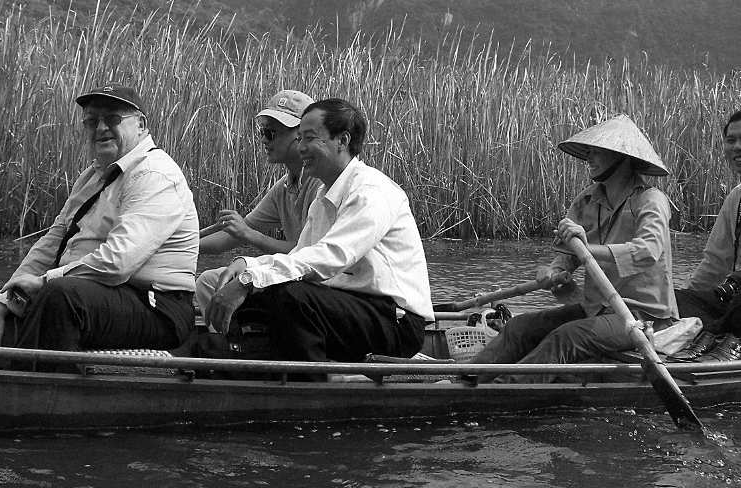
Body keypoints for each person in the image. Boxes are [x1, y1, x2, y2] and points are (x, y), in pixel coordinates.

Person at [200, 98, 435, 380]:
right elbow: (300, 254)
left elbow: (330, 257)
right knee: (256, 290)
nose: (301, 148)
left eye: (309, 138)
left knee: (290, 295)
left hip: (395, 321)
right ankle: (259, 366)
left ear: (342, 141)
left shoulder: (372, 192)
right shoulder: (323, 198)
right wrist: (247, 266)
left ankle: (313, 382)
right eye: (299, 139)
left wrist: (251, 279)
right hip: (348, 307)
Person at [0, 83, 199, 371]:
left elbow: (118, 262)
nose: (101, 128)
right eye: (92, 121)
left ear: (141, 125)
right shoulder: (93, 176)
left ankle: (41, 397)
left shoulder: (154, 174)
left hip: (158, 307)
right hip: (105, 294)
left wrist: (44, 281)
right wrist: (2, 299)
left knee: (60, 296)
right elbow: (54, 241)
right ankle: (2, 385)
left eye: (113, 119)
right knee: (14, 293)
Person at [465, 114, 677, 383]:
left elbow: (646, 252)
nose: (590, 157)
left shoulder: (651, 201)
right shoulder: (587, 200)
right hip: (596, 308)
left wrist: (587, 248)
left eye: (598, 152)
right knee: (521, 326)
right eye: (590, 150)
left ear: (622, 158)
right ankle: (465, 379)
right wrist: (553, 271)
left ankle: (504, 390)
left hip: (643, 317)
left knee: (567, 337)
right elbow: (566, 256)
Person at [195, 90, 320, 318]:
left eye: (271, 133)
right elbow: (231, 236)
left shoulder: (321, 183)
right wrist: (181, 243)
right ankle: (223, 345)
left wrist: (251, 236)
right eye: (263, 132)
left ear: (300, 135)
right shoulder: (283, 187)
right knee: (208, 281)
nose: (263, 140)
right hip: (293, 276)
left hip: (313, 283)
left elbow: (311, 256)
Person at [668, 110, 741, 362]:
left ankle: (729, 343)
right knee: (671, 302)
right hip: (734, 300)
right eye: (731, 140)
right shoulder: (736, 199)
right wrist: (683, 309)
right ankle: (713, 333)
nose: (737, 147)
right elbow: (714, 264)